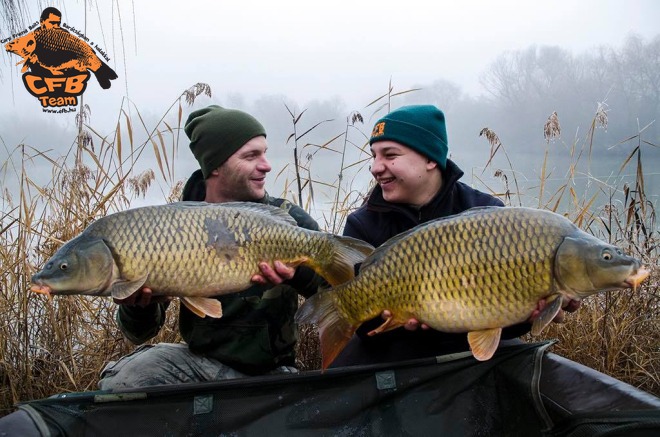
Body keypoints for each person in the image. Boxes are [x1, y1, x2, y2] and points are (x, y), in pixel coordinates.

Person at [330, 104, 579, 367]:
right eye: (374, 156)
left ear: (430, 159)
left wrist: (529, 316)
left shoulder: (488, 215)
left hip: (469, 357)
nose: (375, 167)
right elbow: (365, 332)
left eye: (390, 155)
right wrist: (399, 323)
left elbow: (502, 322)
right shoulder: (362, 224)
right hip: (397, 356)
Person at [99, 105, 325, 389]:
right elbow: (139, 333)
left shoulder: (288, 219)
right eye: (251, 156)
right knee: (119, 383)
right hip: (199, 366)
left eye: (264, 153)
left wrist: (298, 273)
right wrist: (138, 305)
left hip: (274, 371)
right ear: (216, 165)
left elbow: (339, 290)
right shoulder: (171, 226)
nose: (266, 164)